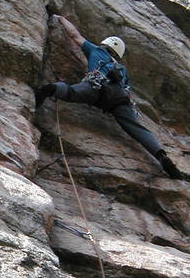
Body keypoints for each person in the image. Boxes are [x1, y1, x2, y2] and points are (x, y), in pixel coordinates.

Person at [35, 15, 182, 179]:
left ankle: (49, 90)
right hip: (120, 99)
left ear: (105, 44)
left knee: (70, 92)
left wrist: (61, 19)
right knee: (136, 128)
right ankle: (161, 156)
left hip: (96, 87)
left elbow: (75, 36)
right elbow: (127, 90)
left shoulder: (97, 51)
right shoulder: (122, 69)